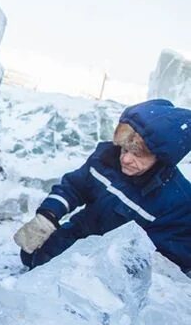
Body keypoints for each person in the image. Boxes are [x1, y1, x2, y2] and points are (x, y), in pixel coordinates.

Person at [14, 99, 191, 274]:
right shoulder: (106, 158)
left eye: (137, 153)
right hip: (80, 233)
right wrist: (48, 215)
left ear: (161, 158)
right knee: (32, 256)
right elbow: (75, 187)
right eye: (125, 149)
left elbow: (168, 258)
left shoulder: (177, 201)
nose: (126, 159)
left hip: (115, 263)